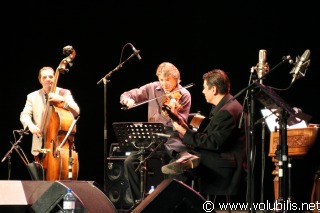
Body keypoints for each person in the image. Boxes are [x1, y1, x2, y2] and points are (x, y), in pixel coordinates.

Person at [120, 62, 199, 204]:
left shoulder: (184, 94)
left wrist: (173, 113)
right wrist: (127, 99)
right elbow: (129, 94)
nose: (164, 84)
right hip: (153, 136)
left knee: (177, 158)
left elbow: (181, 124)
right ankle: (140, 202)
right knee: (130, 162)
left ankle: (175, 202)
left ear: (177, 79)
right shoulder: (152, 87)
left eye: (167, 80)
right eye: (162, 80)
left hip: (172, 135)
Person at [161, 69, 246, 197]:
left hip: (223, 166)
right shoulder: (228, 105)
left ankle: (182, 205)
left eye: (204, 88)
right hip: (221, 157)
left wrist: (184, 132)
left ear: (214, 89)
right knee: (177, 157)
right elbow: (213, 137)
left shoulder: (226, 112)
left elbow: (213, 142)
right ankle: (183, 157)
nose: (202, 91)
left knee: (176, 170)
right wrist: (186, 129)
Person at [20, 66, 80, 162]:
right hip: (39, 147)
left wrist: (62, 101)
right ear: (40, 80)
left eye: (51, 76)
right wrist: (31, 126)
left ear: (55, 77)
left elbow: (76, 111)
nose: (48, 79)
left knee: (64, 174)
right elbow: (24, 115)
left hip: (60, 147)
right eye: (44, 77)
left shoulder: (64, 93)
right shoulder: (32, 96)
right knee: (39, 176)